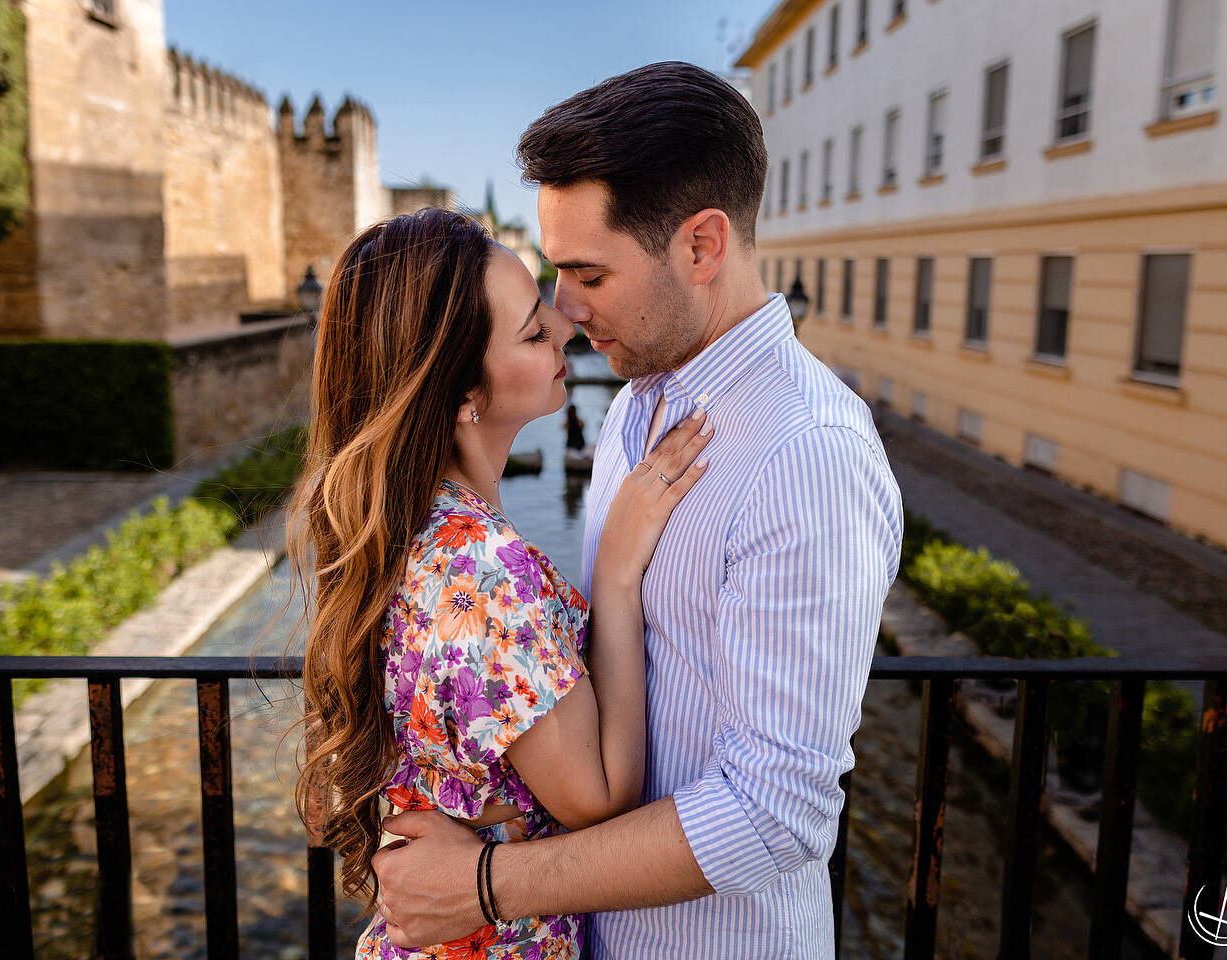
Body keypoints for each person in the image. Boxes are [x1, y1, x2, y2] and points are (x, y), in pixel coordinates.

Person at [371, 62, 904, 959]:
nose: (567, 313)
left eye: (587, 274)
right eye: (554, 274)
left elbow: (779, 812)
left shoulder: (808, 454)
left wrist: (489, 883)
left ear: (701, 247)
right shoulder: (634, 402)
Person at [286, 206, 713, 959]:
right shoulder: (481, 568)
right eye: (531, 331)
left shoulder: (408, 529)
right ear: (459, 393)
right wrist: (615, 572)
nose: (566, 327)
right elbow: (601, 795)